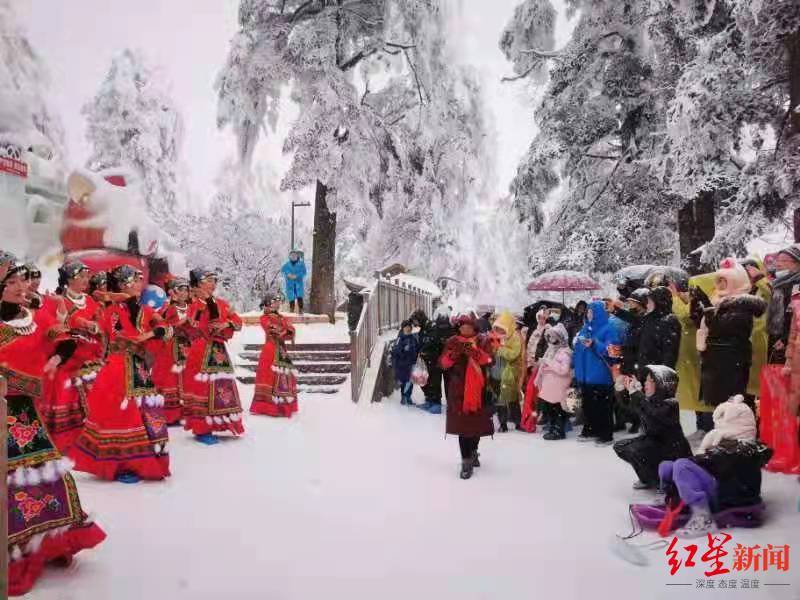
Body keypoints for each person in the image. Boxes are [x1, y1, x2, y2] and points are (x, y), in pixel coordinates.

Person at [1, 259, 106, 596]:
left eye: (21, 280)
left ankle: (48, 541)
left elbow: (65, 340)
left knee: (44, 479)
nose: (21, 287)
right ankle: (14, 551)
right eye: (11, 282)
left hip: (28, 416)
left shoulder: (33, 319)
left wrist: (54, 359)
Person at [70, 265, 172, 483]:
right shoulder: (112, 310)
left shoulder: (144, 309)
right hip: (118, 368)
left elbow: (166, 328)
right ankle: (123, 464)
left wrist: (151, 334)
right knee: (122, 415)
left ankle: (146, 460)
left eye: (138, 280)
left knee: (145, 411)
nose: (139, 285)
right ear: (123, 284)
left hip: (139, 368)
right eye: (134, 281)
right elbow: (120, 335)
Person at [657, 395, 772, 538]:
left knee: (682, 466)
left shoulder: (743, 448)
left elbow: (717, 463)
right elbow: (710, 462)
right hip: (719, 482)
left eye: (723, 418)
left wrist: (697, 461)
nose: (719, 423)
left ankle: (703, 517)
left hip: (729, 494)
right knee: (667, 466)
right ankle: (669, 495)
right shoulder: (726, 441)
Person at [39, 260, 105, 452]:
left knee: (96, 398)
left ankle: (89, 441)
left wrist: (97, 327)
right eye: (81, 277)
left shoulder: (91, 301)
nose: (86, 280)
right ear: (69, 279)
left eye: (87, 277)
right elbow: (55, 325)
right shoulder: (58, 300)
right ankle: (67, 442)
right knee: (65, 396)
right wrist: (78, 323)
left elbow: (101, 326)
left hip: (90, 357)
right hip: (67, 358)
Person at [695, 259, 768, 416]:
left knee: (734, 404)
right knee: (722, 406)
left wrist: (707, 308)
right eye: (719, 280)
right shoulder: (719, 301)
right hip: (717, 359)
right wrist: (698, 306)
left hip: (731, 360)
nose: (720, 285)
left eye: (724, 281)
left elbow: (722, 328)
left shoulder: (743, 304)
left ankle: (739, 435)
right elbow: (707, 326)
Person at [183, 268, 245, 443]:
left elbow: (238, 322)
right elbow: (193, 324)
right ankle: (202, 428)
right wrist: (205, 306)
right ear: (198, 284)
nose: (213, 284)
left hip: (218, 352)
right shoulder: (195, 304)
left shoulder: (223, 303)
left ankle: (220, 424)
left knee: (221, 387)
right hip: (201, 350)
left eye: (214, 280)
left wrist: (227, 324)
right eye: (208, 280)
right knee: (203, 388)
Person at [613, 366, 691, 489]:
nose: (645, 383)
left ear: (662, 384)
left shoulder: (671, 403)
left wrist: (638, 395)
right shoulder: (650, 400)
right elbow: (631, 410)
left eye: (650, 381)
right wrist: (624, 391)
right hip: (655, 444)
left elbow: (654, 416)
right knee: (621, 447)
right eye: (646, 380)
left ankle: (662, 479)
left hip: (671, 451)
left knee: (637, 449)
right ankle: (649, 478)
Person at [440, 314, 494, 479]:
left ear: (474, 328)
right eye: (462, 326)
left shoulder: (483, 341)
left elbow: (489, 360)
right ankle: (466, 461)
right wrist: (453, 355)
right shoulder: (452, 342)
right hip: (458, 391)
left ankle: (473, 451)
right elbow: (443, 363)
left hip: (479, 391)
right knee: (463, 428)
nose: (465, 329)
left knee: (475, 426)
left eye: (468, 326)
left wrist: (475, 353)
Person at [573, 300, 622, 446]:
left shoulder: (609, 329)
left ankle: (606, 434)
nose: (588, 314)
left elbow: (614, 352)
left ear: (598, 313)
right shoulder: (585, 329)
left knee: (602, 406)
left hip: (601, 376)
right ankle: (590, 429)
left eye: (591, 311)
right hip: (585, 375)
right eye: (587, 311)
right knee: (588, 405)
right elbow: (578, 350)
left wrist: (595, 344)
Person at [152, 277, 195, 425]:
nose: (184, 293)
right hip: (170, 348)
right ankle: (169, 414)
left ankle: (185, 411)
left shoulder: (192, 307)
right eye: (181, 289)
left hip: (187, 346)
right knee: (170, 378)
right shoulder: (168, 307)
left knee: (186, 377)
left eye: (186, 289)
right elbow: (161, 324)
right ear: (174, 291)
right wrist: (180, 324)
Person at [670, 280, 710, 436]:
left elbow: (685, 315)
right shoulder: (688, 300)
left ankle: (706, 427)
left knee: (700, 390)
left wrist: (675, 298)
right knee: (693, 391)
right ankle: (700, 426)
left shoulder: (699, 301)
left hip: (697, 352)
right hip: (688, 354)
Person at [250, 291, 299, 417]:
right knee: (269, 376)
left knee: (285, 376)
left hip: (281, 349)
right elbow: (272, 329)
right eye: (274, 301)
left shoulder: (282, 317)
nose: (277, 304)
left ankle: (283, 404)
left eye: (278, 301)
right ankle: (268, 407)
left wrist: (285, 331)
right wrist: (284, 330)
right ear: (267, 303)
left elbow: (291, 331)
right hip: (270, 350)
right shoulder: (264, 317)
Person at [616, 288, 650, 433]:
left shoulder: (643, 319)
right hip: (628, 359)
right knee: (625, 392)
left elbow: (637, 342)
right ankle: (633, 419)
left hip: (636, 360)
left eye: (632, 302)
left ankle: (639, 421)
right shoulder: (635, 318)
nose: (629, 304)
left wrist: (616, 310)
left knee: (636, 392)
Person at [411, 307, 454, 414]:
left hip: (434, 359)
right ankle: (432, 401)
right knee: (430, 381)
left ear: (420, 318)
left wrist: (423, 350)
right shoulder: (425, 327)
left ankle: (436, 404)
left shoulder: (431, 327)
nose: (415, 324)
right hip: (432, 359)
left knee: (434, 382)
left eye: (415, 321)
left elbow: (432, 341)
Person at [534, 323, 573, 440]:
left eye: (554, 337)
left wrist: (549, 363)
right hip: (550, 386)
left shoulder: (565, 352)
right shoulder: (551, 350)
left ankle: (558, 430)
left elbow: (564, 370)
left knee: (559, 409)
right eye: (550, 337)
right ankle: (552, 428)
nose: (551, 340)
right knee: (551, 409)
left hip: (558, 386)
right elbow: (544, 364)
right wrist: (538, 378)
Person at [489, 311, 524, 432]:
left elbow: (513, 354)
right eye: (497, 328)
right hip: (496, 373)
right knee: (500, 400)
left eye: (501, 328)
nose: (498, 330)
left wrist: (500, 349)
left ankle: (518, 422)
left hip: (509, 374)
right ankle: (503, 423)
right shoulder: (493, 336)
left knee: (513, 398)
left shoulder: (514, 337)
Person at [742, 257, 771, 399]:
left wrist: (760, 278)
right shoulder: (741, 290)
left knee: (760, 388)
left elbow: (772, 292)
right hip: (744, 343)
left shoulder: (764, 287)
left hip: (761, 341)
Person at [767, 244, 800, 363]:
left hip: (789, 341)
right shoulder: (778, 284)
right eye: (778, 260)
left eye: (784, 260)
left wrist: (785, 339)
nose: (778, 264)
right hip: (774, 338)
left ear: (797, 263)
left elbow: (795, 315)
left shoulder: (797, 285)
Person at [392, 319, 420, 406]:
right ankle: (404, 397)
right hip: (402, 365)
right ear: (402, 328)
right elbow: (396, 350)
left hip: (411, 364)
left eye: (409, 327)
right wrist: (403, 351)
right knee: (404, 381)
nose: (408, 329)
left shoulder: (413, 338)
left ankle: (408, 396)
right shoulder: (400, 338)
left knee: (410, 382)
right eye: (406, 327)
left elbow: (416, 348)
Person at [281, 250, 307, 314]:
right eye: (291, 256)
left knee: (299, 296)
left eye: (294, 255)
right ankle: (291, 309)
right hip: (290, 283)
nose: (293, 257)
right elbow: (282, 270)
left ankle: (301, 309)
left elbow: (304, 272)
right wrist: (288, 274)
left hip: (298, 283)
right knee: (291, 296)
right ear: (289, 257)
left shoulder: (301, 264)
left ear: (297, 256)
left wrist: (297, 276)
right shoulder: (287, 264)